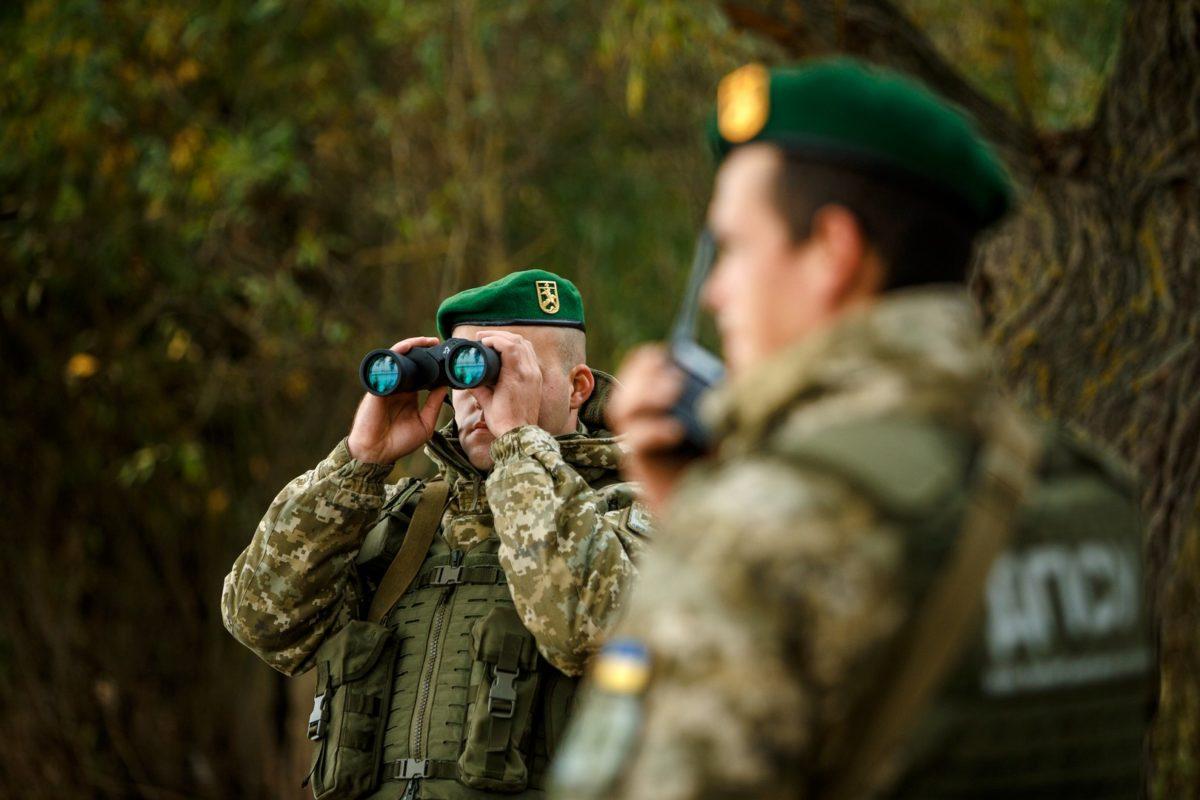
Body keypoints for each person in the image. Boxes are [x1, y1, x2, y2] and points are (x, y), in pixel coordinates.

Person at [551, 60, 1152, 799]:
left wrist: (706, 543)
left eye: (734, 248)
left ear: (832, 253)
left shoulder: (760, 530)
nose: (715, 292)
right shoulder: (1090, 496)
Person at [222, 268, 651, 800]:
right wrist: (357, 465)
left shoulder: (635, 512)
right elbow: (262, 623)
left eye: (508, 370)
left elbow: (584, 632)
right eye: (466, 371)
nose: (479, 395)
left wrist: (519, 444)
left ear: (576, 387)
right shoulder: (403, 522)